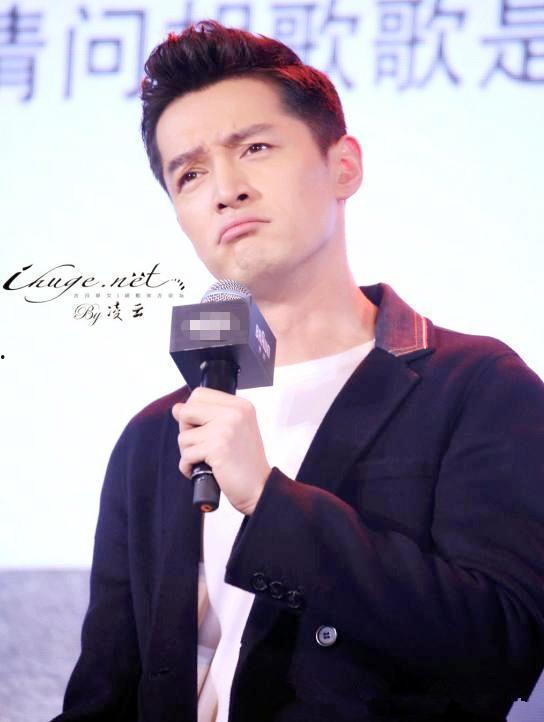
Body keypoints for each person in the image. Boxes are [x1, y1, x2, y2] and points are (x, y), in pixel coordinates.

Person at [53, 19, 544, 722]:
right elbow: (105, 691)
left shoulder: (477, 387)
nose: (225, 190)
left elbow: (503, 640)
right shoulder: (157, 435)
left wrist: (269, 500)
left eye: (254, 148)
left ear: (343, 166)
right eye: (190, 175)